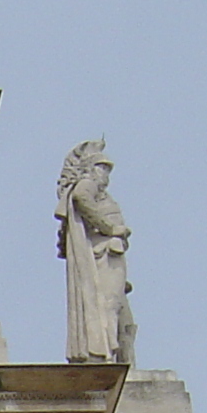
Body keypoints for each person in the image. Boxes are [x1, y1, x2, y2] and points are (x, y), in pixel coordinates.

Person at [57, 140, 135, 366]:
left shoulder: (100, 192)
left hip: (110, 252)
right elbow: (81, 198)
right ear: (91, 169)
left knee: (122, 315)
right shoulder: (87, 184)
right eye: (102, 168)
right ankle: (106, 357)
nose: (105, 174)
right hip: (104, 251)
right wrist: (110, 228)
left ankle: (116, 356)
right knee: (109, 305)